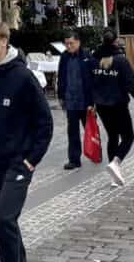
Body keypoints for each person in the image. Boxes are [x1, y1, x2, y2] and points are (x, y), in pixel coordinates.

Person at [0, 22, 53, 262]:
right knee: (3, 222)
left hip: (18, 163)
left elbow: (45, 123)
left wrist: (31, 160)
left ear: (3, 41)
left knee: (5, 218)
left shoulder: (23, 77)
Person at [91, 29, 134, 186]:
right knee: (128, 137)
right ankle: (116, 162)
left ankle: (114, 175)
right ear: (115, 42)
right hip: (118, 103)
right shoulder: (121, 60)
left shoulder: (94, 59)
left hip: (101, 104)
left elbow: (89, 82)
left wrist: (91, 101)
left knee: (112, 136)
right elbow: (129, 84)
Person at [56, 29, 93, 171]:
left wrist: (92, 101)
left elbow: (92, 79)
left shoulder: (86, 56)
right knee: (72, 131)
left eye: (71, 43)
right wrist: (61, 96)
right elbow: (61, 76)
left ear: (78, 42)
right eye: (66, 44)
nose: (69, 46)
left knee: (90, 129)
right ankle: (74, 159)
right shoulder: (64, 57)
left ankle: (95, 152)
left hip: (85, 100)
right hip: (70, 100)